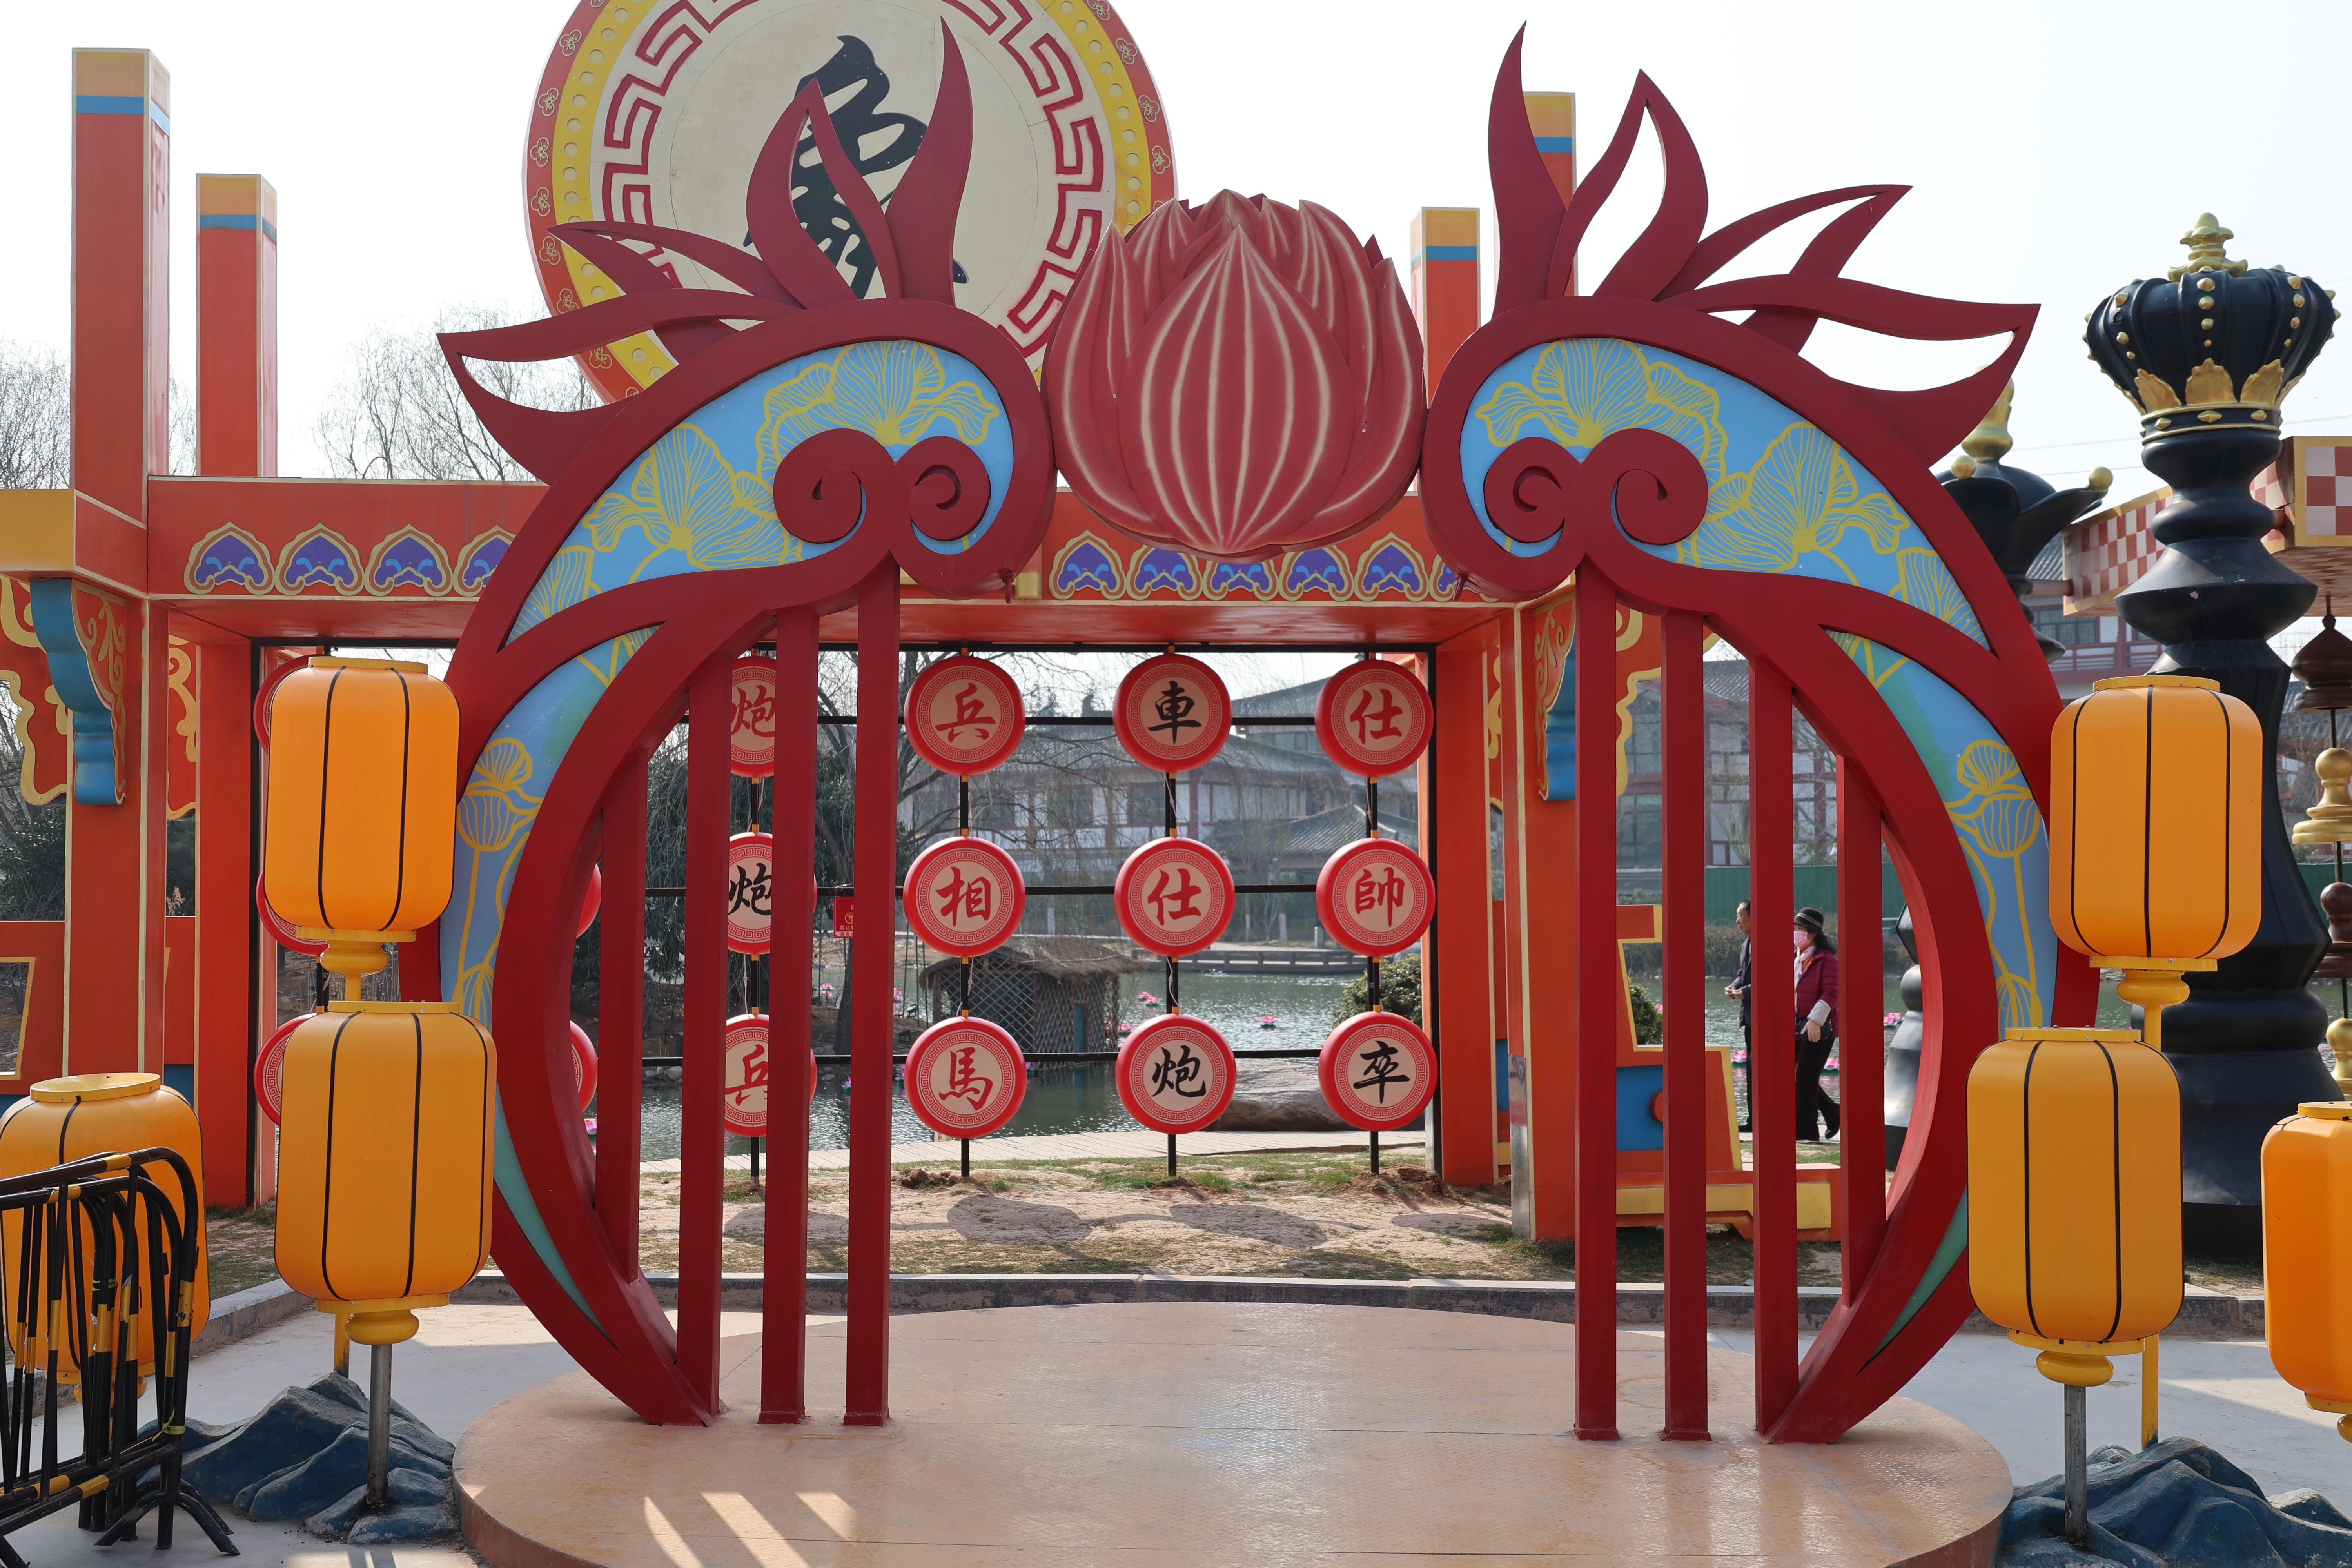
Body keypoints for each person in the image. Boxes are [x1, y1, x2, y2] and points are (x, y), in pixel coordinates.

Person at [1792, 906, 1840, 1142]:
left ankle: (1807, 1132)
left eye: (1799, 929)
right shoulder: (1796, 957)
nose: (1795, 933)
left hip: (1817, 1029)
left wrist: (1815, 1020)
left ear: (1812, 934)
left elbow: (1832, 992)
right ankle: (1833, 1113)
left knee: (1804, 1079)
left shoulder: (1827, 959)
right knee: (1803, 1079)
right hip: (1796, 1027)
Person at [1721, 901, 1753, 1132]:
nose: (1737, 921)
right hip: (1750, 1018)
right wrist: (1734, 987)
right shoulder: (1747, 944)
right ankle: (1753, 1120)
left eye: (1740, 915)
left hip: (1768, 1018)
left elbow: (1775, 977)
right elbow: (1743, 974)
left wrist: (1746, 992)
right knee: (1752, 1069)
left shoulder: (1770, 942)